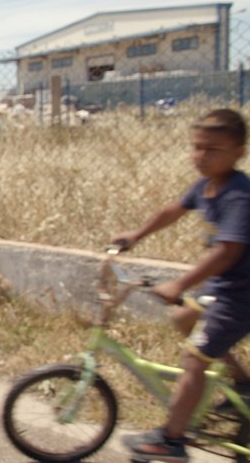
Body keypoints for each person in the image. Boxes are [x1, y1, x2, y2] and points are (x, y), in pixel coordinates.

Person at [115, 108, 250, 462]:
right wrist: (135, 235)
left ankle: (172, 441)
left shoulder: (238, 195)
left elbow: (227, 252)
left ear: (239, 151)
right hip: (226, 288)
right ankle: (245, 386)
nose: (201, 157)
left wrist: (179, 284)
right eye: (197, 147)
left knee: (194, 359)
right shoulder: (207, 185)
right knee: (183, 319)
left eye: (213, 149)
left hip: (241, 295)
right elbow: (171, 211)